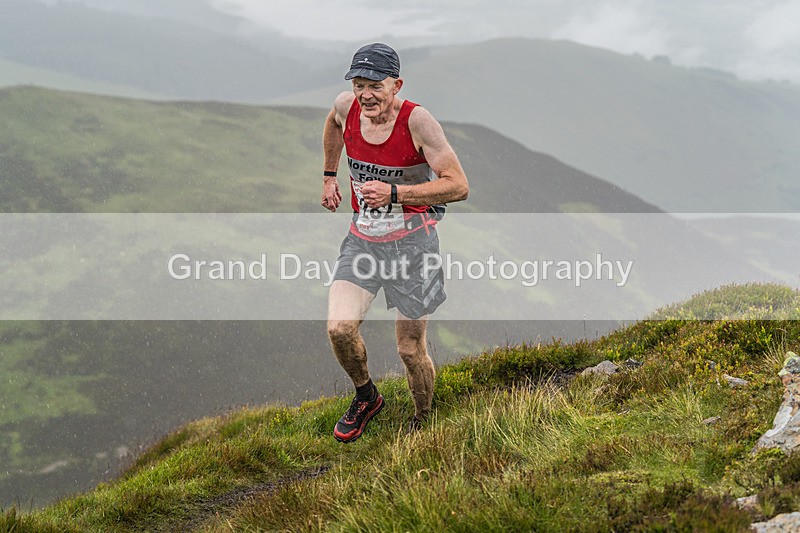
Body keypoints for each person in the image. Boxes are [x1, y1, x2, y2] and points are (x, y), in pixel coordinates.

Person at [321, 43, 469, 442]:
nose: (366, 94)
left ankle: (423, 421)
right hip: (362, 242)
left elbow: (458, 186)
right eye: (359, 84)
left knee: (409, 349)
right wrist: (329, 176)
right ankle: (367, 397)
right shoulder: (347, 106)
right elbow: (333, 123)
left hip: (414, 247)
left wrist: (395, 194)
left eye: (376, 86)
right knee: (339, 329)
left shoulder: (418, 122)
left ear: (396, 85)